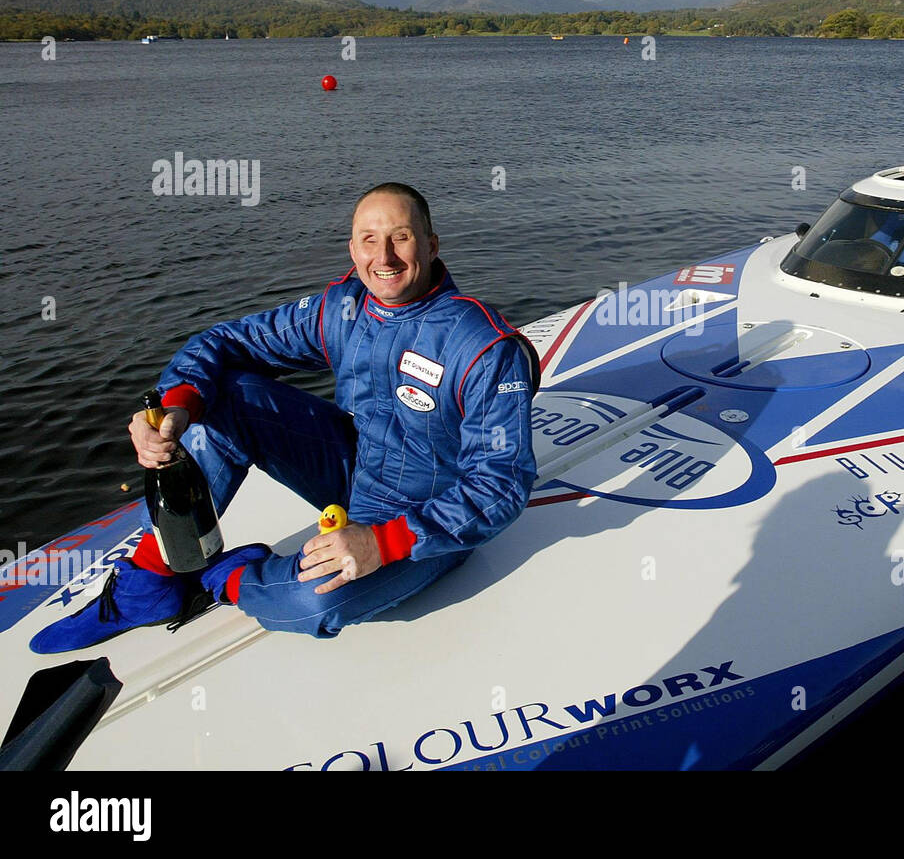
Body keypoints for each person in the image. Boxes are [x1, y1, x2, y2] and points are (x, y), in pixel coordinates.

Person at [31, 183, 538, 652]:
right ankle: (147, 582)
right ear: (353, 250)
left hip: (426, 517)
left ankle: (228, 574)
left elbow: (501, 484)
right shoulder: (343, 308)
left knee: (316, 602)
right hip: (355, 469)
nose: (383, 257)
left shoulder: (485, 346)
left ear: (430, 245)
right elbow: (224, 342)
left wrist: (383, 541)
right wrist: (172, 408)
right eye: (369, 240)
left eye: (400, 238)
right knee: (221, 396)